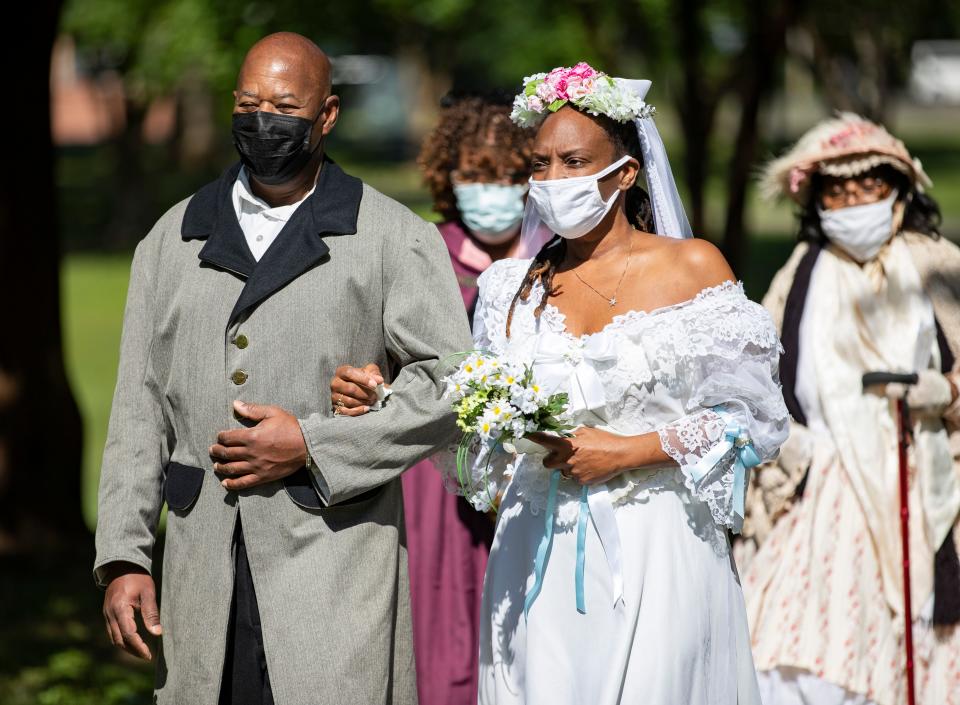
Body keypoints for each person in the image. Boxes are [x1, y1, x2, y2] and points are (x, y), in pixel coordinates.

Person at [333, 63, 789, 705]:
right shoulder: (507, 292)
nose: (552, 181)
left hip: (657, 544)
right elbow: (478, 441)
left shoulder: (692, 267)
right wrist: (386, 404)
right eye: (540, 165)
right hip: (534, 548)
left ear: (626, 173)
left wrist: (630, 451)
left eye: (574, 162)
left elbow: (751, 420)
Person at [94, 32, 471, 705]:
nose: (263, 121)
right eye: (248, 103)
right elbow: (137, 406)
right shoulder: (170, 239)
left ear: (326, 116)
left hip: (335, 564)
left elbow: (449, 387)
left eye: (284, 106)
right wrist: (124, 555)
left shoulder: (391, 237)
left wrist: (314, 444)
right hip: (202, 569)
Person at [739, 112, 960, 705]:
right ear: (816, 201)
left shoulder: (938, 266)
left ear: (897, 191)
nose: (853, 203)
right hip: (822, 484)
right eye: (838, 192)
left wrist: (948, 393)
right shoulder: (802, 273)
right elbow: (758, 373)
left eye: (868, 189)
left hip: (928, 480)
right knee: (792, 652)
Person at [332, 92, 532, 705]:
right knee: (442, 613)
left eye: (509, 176)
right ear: (448, 176)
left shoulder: (553, 259)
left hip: (533, 468)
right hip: (435, 473)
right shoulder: (421, 252)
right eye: (476, 175)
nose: (492, 191)